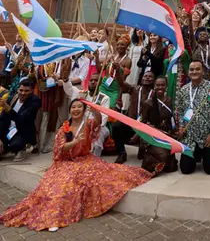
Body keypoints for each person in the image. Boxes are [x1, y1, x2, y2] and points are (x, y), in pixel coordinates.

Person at [0, 99, 151, 231]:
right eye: (73, 107)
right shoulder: (63, 128)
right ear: (70, 110)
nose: (76, 109)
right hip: (66, 164)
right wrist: (75, 142)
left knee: (109, 175)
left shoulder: (87, 125)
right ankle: (53, 217)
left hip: (85, 160)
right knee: (61, 187)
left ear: (84, 110)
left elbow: (98, 122)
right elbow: (60, 149)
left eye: (80, 107)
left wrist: (96, 110)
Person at [176, 60, 210, 175]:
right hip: (190, 137)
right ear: (188, 72)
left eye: (197, 69)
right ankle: (196, 155)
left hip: (208, 138)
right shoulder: (183, 90)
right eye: (192, 69)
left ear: (203, 71)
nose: (194, 72)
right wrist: (181, 127)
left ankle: (204, 154)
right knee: (185, 169)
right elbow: (179, 111)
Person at [112, 71, 156, 164]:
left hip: (145, 126)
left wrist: (139, 133)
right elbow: (121, 83)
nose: (147, 77)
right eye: (145, 76)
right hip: (131, 122)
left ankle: (143, 146)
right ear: (142, 78)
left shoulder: (155, 95)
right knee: (116, 126)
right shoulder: (134, 89)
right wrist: (118, 71)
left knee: (141, 156)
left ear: (154, 81)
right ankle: (122, 153)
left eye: (150, 77)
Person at [62, 73, 110, 157]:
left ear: (100, 83)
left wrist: (89, 125)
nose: (92, 82)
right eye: (91, 80)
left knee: (98, 137)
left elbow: (103, 120)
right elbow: (70, 90)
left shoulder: (104, 98)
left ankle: (95, 160)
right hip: (80, 124)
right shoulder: (82, 94)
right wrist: (66, 79)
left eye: (95, 80)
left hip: (98, 127)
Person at [138, 76, 178, 174]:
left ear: (166, 86)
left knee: (169, 163)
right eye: (158, 85)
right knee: (162, 154)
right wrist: (149, 127)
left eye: (163, 85)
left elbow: (171, 119)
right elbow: (142, 122)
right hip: (152, 135)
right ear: (154, 86)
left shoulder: (169, 101)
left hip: (166, 134)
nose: (160, 87)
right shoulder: (148, 103)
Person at [0, 79, 41, 162]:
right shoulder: (12, 98)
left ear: (32, 91)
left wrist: (8, 108)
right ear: (17, 89)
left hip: (22, 131)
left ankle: (20, 148)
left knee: (15, 145)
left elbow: (22, 119)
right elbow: (2, 118)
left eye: (26, 91)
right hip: (8, 130)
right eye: (21, 90)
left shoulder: (35, 101)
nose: (23, 93)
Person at [96, 34, 132, 109]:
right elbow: (99, 69)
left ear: (127, 46)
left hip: (114, 89)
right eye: (118, 44)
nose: (119, 46)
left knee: (110, 110)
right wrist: (97, 56)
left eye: (122, 45)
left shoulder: (128, 61)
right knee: (98, 106)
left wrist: (118, 69)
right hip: (104, 86)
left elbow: (122, 81)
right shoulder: (111, 57)